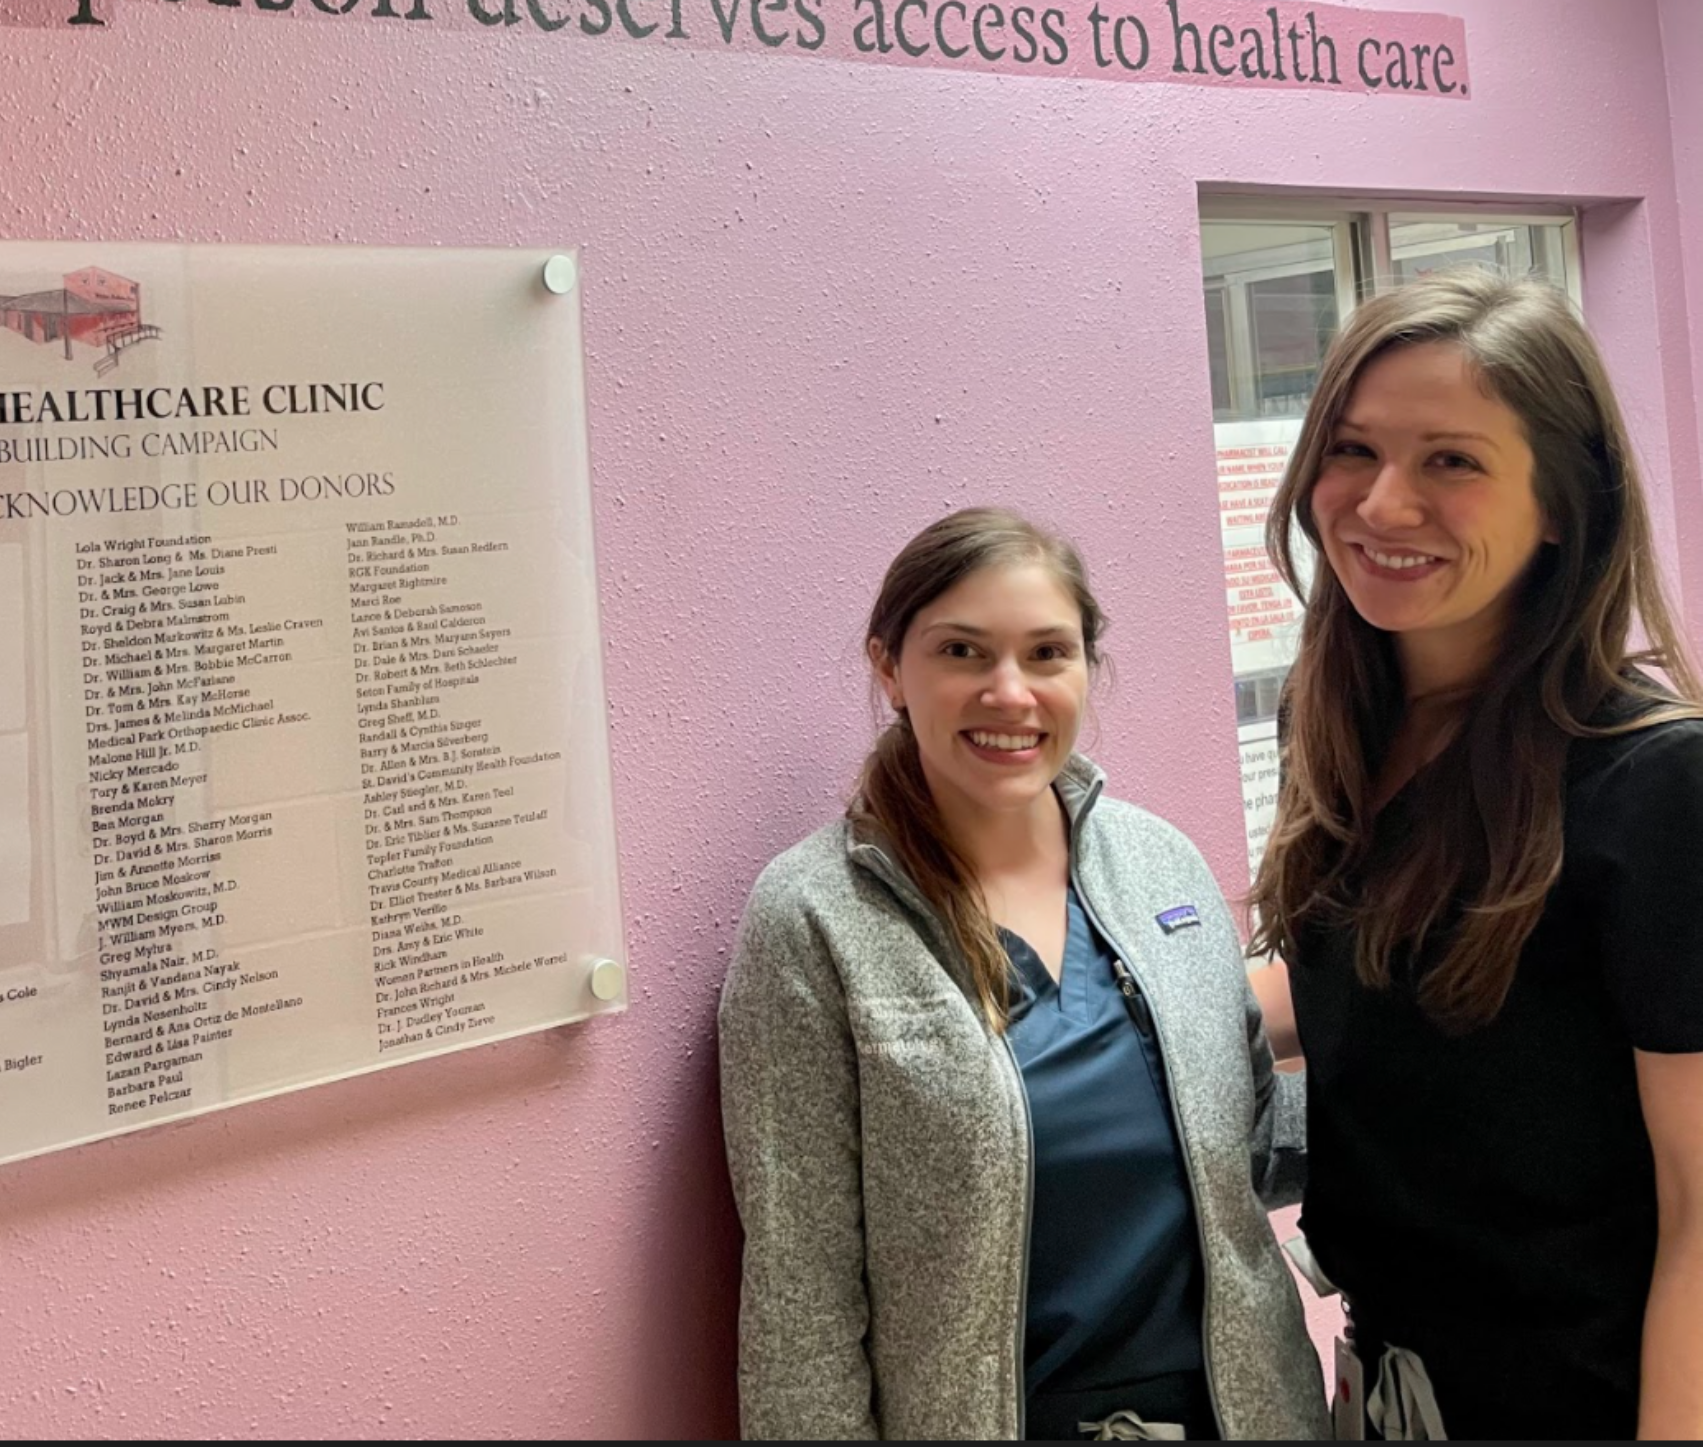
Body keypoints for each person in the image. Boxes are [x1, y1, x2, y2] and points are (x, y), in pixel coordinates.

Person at [719, 507, 1325, 1440]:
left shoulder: (1164, 868)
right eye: (963, 651)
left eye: (1047, 653)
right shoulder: (816, 919)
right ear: (889, 667)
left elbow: (1245, 1152)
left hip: (1246, 1416)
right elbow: (802, 1298)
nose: (1011, 692)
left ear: (1086, 666)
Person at [1249, 270, 1703, 1439]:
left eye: (1451, 460)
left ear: (1563, 503)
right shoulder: (1348, 721)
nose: (1381, 504)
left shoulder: (1655, 782)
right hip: (1388, 1388)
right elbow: (1367, 979)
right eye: (1350, 449)